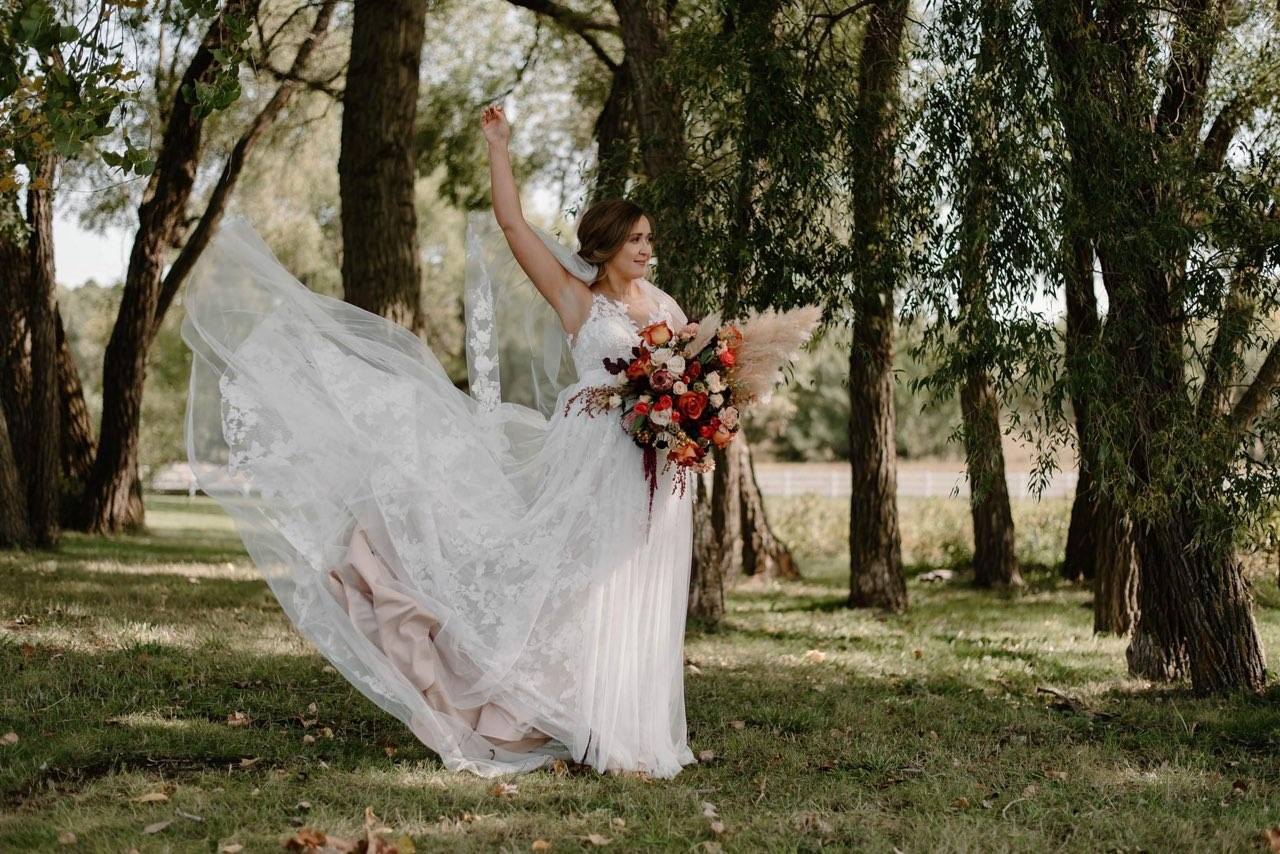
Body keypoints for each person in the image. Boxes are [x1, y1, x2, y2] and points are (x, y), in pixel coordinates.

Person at [180, 103, 698, 779]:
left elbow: (691, 371)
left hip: (653, 463)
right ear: (603, 246)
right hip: (589, 458)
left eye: (649, 238)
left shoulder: (664, 307)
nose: (646, 249)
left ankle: (633, 728)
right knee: (569, 585)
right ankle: (581, 723)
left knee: (634, 583)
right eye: (634, 239)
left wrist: (701, 411)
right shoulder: (577, 299)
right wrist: (498, 147)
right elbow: (513, 226)